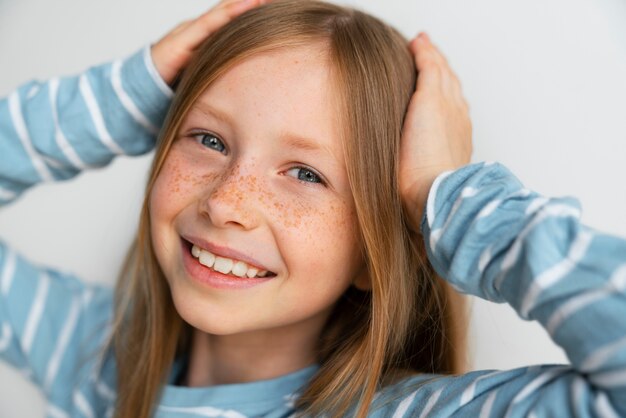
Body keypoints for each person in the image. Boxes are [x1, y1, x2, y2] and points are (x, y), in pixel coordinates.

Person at [1, 1, 625, 418]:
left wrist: (447, 196)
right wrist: (126, 96)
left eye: (305, 173)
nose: (226, 204)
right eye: (209, 139)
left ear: (376, 250)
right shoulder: (101, 362)